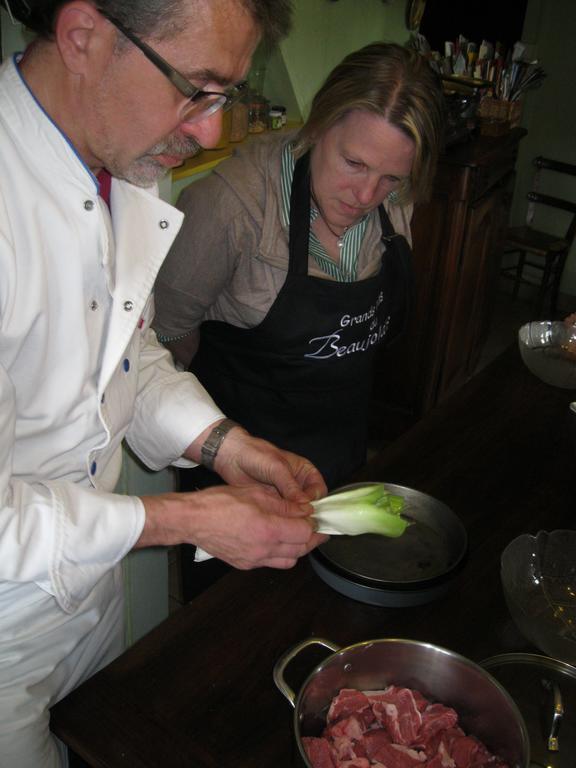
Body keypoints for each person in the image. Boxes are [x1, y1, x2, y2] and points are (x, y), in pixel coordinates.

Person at [0, 1, 329, 765]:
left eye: (226, 96)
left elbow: (127, 349)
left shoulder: (123, 158)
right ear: (85, 36)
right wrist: (188, 522)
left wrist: (222, 445)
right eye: (197, 88)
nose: (211, 131)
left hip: (93, 586)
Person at [154, 42, 445, 492]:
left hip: (343, 454)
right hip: (241, 477)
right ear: (319, 126)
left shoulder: (396, 204)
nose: (367, 196)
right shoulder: (230, 207)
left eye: (390, 177)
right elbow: (169, 329)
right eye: (354, 163)